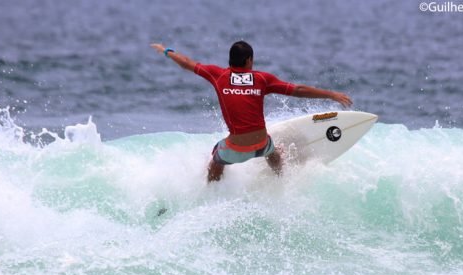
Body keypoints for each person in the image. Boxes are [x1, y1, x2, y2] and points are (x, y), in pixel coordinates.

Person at [150, 41, 353, 182]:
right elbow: (297, 90)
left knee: (215, 160)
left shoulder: (217, 75)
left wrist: (166, 51)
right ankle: (280, 177)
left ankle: (212, 190)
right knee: (273, 151)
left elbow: (186, 63)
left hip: (234, 151)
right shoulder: (262, 79)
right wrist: (331, 94)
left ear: (230, 60)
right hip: (261, 145)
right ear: (248, 60)